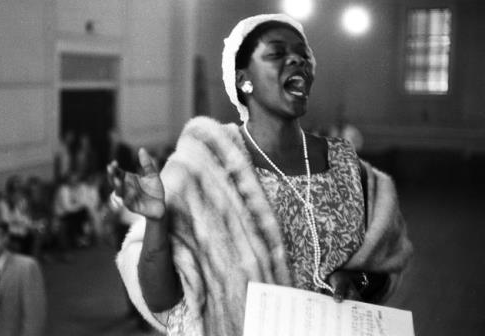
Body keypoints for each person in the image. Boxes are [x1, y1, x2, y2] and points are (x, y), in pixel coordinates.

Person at [108, 14, 413, 335]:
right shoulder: (203, 169)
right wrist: (157, 221)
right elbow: (162, 302)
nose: (297, 58)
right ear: (243, 80)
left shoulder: (347, 164)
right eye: (277, 53)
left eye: (302, 53)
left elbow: (382, 268)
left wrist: (357, 281)